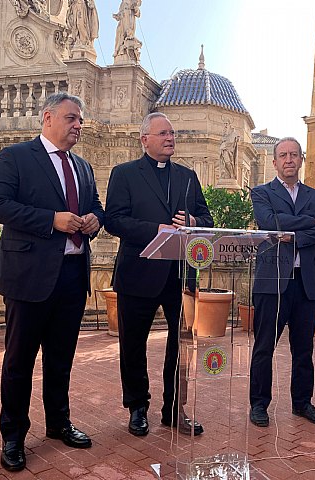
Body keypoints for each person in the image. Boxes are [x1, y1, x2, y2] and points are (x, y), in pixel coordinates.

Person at [0, 92, 104, 472]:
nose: (78, 126)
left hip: (72, 275)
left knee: (61, 358)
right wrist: (52, 219)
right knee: (19, 360)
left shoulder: (83, 167)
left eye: (80, 120)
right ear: (47, 117)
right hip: (29, 276)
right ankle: (13, 436)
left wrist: (95, 221)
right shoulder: (15, 157)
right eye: (71, 118)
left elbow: (96, 206)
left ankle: (58, 423)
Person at [105, 112, 213, 437]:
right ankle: (137, 408)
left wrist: (193, 222)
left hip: (180, 276)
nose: (170, 138)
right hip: (138, 272)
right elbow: (114, 220)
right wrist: (158, 230)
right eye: (163, 133)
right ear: (145, 139)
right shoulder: (123, 174)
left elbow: (206, 219)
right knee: (133, 345)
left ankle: (174, 409)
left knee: (181, 345)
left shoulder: (188, 176)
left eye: (172, 134)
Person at [248, 137, 315, 428]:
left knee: (304, 349)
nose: (289, 159)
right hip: (272, 281)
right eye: (283, 155)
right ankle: (259, 405)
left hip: (305, 283)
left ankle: (302, 403)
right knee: (264, 347)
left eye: (294, 155)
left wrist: (294, 234)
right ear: (274, 162)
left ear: (301, 160)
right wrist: (308, 223)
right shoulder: (261, 193)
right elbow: (268, 224)